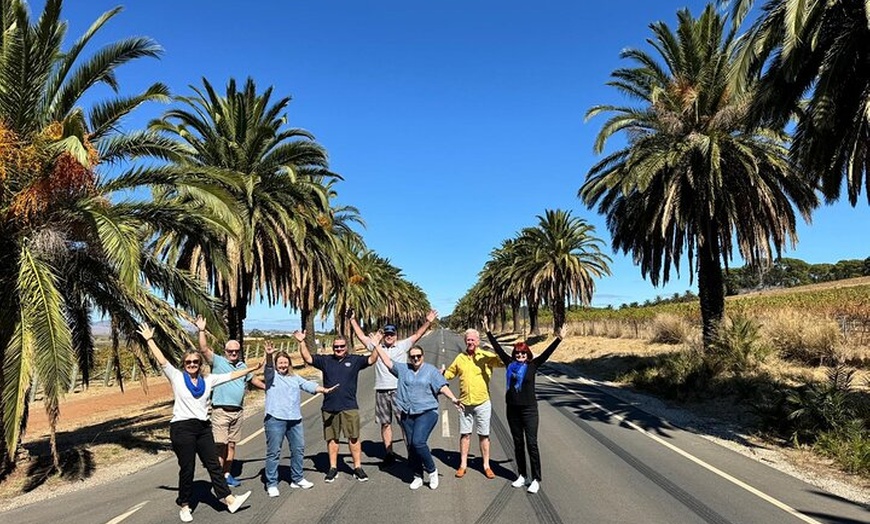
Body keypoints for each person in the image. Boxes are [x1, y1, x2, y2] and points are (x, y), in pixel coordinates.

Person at [137, 323, 259, 523]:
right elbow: (162, 360)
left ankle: (228, 499)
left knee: (213, 464)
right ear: (183, 364)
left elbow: (231, 375)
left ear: (200, 363)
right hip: (182, 428)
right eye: (188, 362)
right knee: (188, 468)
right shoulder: (176, 377)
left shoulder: (208, 380)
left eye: (195, 362)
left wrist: (252, 368)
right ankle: (184, 505)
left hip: (203, 428)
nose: (192, 365)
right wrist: (150, 340)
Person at [484, 316, 563, 494]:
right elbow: (497, 348)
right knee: (518, 443)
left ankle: (535, 478)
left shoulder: (533, 365)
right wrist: (488, 331)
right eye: (517, 354)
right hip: (512, 409)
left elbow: (546, 354)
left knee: (532, 444)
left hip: (529, 410)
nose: (520, 356)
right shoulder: (510, 365)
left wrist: (558, 339)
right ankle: (522, 475)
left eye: (523, 354)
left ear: (527, 355)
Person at [348, 308, 438, 465]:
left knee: (405, 423)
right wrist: (352, 320)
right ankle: (389, 453)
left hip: (400, 390)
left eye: (392, 334)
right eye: (387, 334)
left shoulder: (402, 346)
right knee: (385, 423)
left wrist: (428, 322)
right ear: (383, 336)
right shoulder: (377, 346)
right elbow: (361, 336)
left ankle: (412, 452)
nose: (389, 337)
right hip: (381, 390)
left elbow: (417, 335)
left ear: (396, 335)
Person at [372, 335, 463, 490]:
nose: (415, 359)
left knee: (418, 442)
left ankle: (432, 470)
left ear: (423, 356)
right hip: (407, 412)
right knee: (411, 445)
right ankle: (417, 475)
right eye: (412, 357)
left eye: (418, 356)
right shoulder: (403, 369)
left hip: (427, 411)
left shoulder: (431, 371)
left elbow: (442, 386)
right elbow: (387, 361)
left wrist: (454, 399)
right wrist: (376, 346)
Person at [298, 330, 378, 482]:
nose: (339, 349)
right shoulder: (326, 360)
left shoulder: (354, 360)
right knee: (332, 439)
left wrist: (376, 345)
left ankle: (357, 467)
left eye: (341, 346)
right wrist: (302, 342)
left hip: (349, 406)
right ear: (332, 348)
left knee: (353, 438)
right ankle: (333, 467)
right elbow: (308, 358)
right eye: (336, 347)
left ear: (346, 347)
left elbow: (372, 360)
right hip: (329, 407)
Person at [262, 338, 338, 497]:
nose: (282, 365)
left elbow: (308, 385)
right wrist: (269, 355)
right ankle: (272, 483)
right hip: (275, 419)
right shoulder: (271, 377)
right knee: (274, 452)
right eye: (279, 363)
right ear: (276, 364)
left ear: (289, 364)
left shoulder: (295, 378)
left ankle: (297, 478)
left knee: (298, 449)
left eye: (285, 363)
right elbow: (268, 367)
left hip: (294, 419)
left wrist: (324, 390)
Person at [195, 316, 265, 487]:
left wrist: (269, 387)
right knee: (220, 446)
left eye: (236, 351)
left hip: (238, 412)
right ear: (225, 351)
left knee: (232, 446)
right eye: (230, 351)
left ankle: (226, 474)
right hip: (220, 411)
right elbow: (203, 349)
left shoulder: (242, 366)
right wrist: (202, 330)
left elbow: (253, 380)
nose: (233, 353)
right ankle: (217, 479)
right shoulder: (218, 362)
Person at [442, 328, 503, 479]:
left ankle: (486, 466)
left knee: (484, 435)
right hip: (465, 404)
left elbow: (502, 362)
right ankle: (463, 465)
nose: (470, 342)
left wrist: (494, 349)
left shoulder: (486, 356)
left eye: (473, 340)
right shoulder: (460, 358)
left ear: (478, 341)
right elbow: (450, 373)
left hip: (482, 402)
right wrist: (442, 373)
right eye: (468, 340)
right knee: (465, 435)